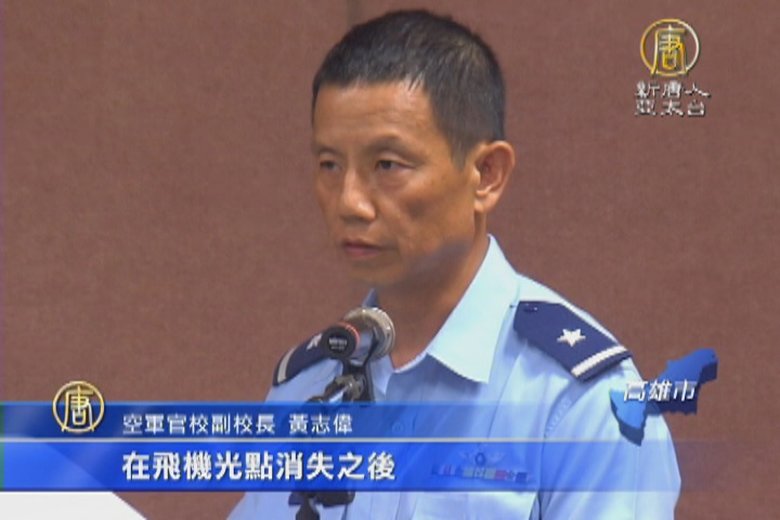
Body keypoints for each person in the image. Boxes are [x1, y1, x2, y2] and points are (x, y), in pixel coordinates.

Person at [230, 9, 680, 519]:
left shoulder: (585, 403)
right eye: (329, 164)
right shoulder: (306, 389)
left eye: (387, 165)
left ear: (487, 174)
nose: (349, 202)